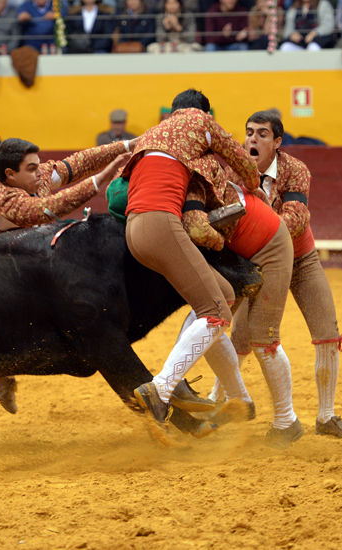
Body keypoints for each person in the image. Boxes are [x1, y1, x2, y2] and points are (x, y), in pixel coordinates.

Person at [0, 136, 135, 449]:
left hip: (20, 281)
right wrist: (100, 181)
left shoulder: (35, 176)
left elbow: (79, 161)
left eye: (39, 165)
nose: (41, 172)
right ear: (11, 175)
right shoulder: (2, 197)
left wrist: (127, 146)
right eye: (32, 168)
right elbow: (47, 209)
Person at [221, 110, 342, 439]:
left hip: (300, 260)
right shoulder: (234, 171)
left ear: (278, 143)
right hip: (257, 263)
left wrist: (256, 223)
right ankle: (222, 401)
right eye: (249, 132)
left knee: (327, 330)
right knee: (241, 335)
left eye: (262, 134)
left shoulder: (295, 169)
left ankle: (326, 417)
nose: (253, 139)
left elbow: (295, 220)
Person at [125, 89, 259, 429]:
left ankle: (238, 398)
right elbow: (243, 161)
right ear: (203, 113)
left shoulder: (153, 135)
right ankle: (162, 387)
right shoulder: (201, 122)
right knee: (216, 313)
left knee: (225, 295)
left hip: (134, 229)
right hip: (161, 223)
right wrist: (255, 185)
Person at [180, 169, 301, 449]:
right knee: (206, 320)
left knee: (263, 336)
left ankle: (287, 421)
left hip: (270, 247)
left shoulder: (202, 175)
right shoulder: (200, 176)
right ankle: (237, 401)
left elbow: (199, 229)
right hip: (237, 254)